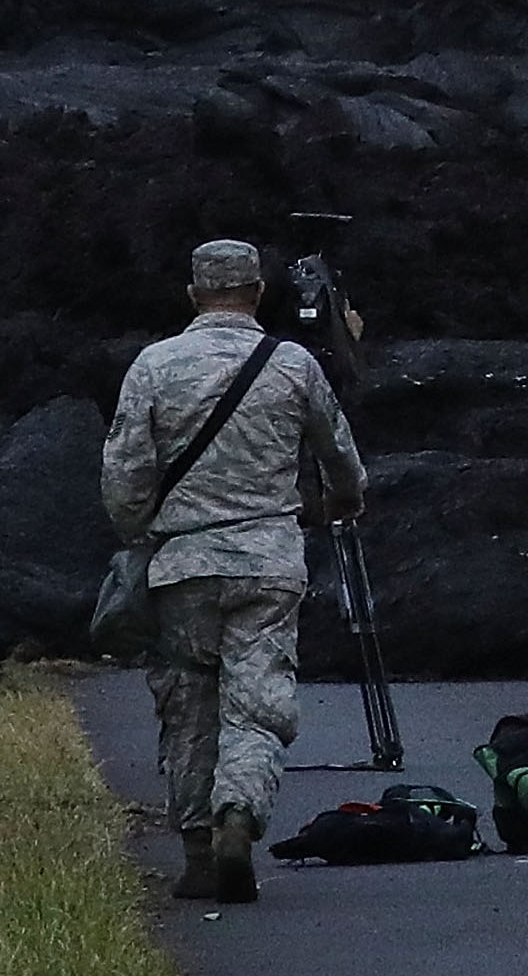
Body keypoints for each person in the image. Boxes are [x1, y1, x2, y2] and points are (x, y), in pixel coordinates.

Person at [103, 239, 366, 904]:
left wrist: (141, 530)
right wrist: (342, 501)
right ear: (255, 292)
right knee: (256, 704)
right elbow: (342, 461)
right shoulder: (293, 365)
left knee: (189, 708)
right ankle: (238, 816)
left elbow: (123, 479)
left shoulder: (153, 365)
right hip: (269, 564)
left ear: (193, 294)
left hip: (183, 565)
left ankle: (196, 855)